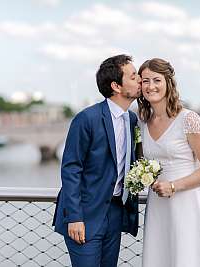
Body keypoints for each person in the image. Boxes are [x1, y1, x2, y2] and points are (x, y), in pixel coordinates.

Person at [137, 58, 200, 267]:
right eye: (145, 81)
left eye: (157, 80)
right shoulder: (143, 121)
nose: (151, 86)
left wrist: (177, 185)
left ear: (169, 83)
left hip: (186, 203)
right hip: (158, 205)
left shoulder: (188, 119)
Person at [53, 54, 141, 267]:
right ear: (116, 86)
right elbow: (71, 168)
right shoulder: (87, 118)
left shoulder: (132, 120)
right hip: (85, 215)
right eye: (133, 75)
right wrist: (75, 217)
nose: (140, 80)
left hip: (115, 212)